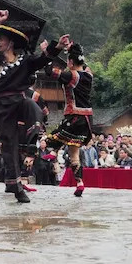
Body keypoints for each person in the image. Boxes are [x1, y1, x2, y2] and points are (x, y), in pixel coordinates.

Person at [0, 11, 64, 202]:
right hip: (2, 108)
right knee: (8, 146)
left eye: (1, 40)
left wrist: (57, 46)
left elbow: (42, 60)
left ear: (10, 43)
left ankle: (31, 146)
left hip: (20, 103)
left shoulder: (25, 62)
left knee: (32, 105)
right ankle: (15, 186)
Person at [45, 38, 92, 197]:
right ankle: (80, 183)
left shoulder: (70, 76)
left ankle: (53, 151)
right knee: (74, 154)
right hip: (87, 120)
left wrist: (49, 52)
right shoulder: (88, 74)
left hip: (74, 115)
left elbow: (49, 70)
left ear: (71, 61)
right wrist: (72, 48)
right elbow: (82, 64)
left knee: (55, 137)